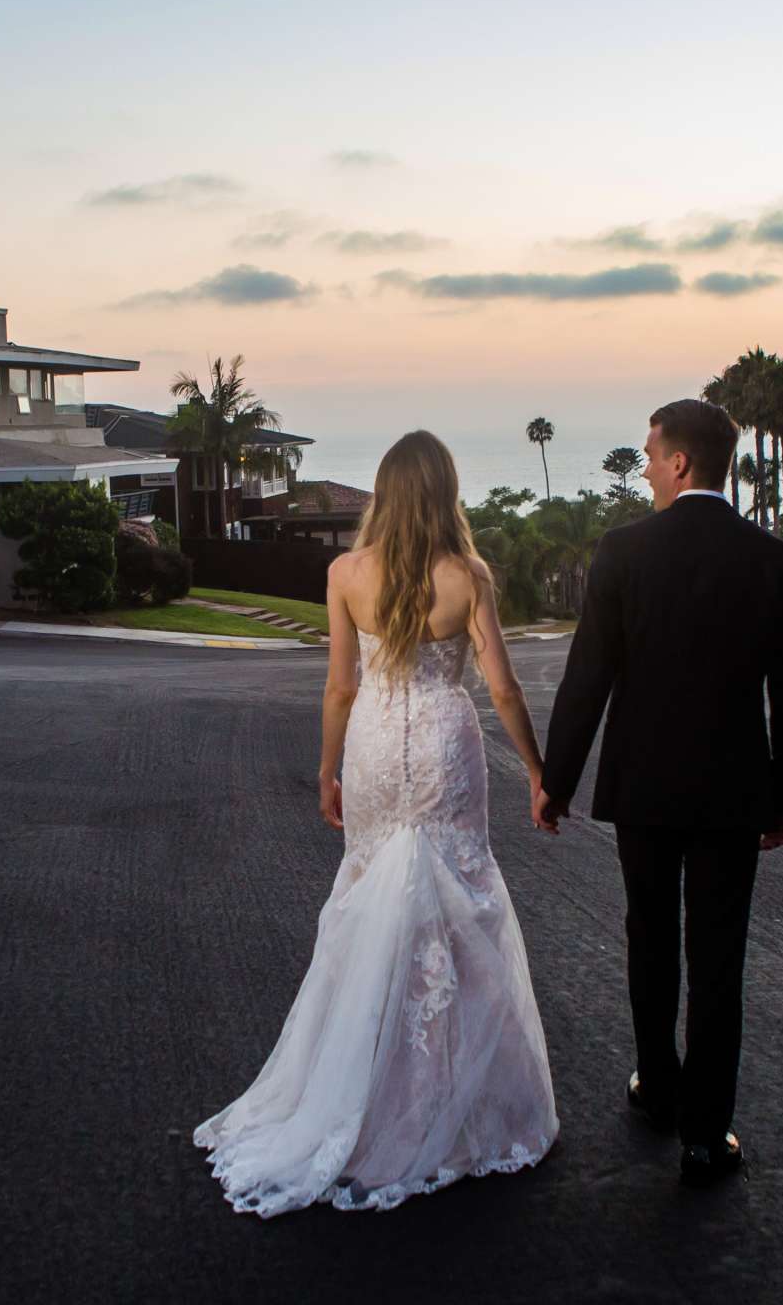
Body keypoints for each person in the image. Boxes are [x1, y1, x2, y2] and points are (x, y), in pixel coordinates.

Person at [193, 430, 561, 1216]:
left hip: (373, 750)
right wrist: (536, 769)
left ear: (388, 491)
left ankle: (359, 1087)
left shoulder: (345, 572)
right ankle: (449, 1103)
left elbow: (339, 686)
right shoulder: (468, 576)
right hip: (442, 744)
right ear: (445, 491)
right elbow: (500, 689)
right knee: (458, 908)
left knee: (373, 906)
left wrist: (327, 771)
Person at [538, 397, 783, 1187]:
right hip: (735, 793)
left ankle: (657, 1088)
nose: (649, 465)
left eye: (653, 453)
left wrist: (556, 783)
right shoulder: (773, 559)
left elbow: (587, 676)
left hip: (646, 789)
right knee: (719, 957)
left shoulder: (623, 552)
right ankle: (705, 1132)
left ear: (682, 462)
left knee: (651, 939)